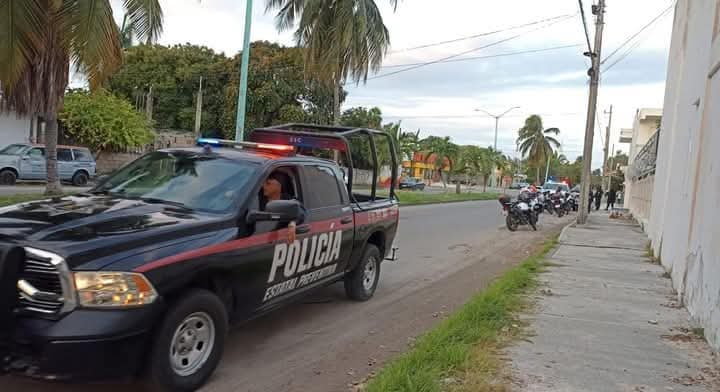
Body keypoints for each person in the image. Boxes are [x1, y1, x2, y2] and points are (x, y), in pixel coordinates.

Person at [262, 171, 305, 243]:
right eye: (263, 183)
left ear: (279, 186)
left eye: (268, 183)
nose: (263, 186)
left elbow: (301, 210)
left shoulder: (288, 199)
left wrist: (293, 223)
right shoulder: (257, 198)